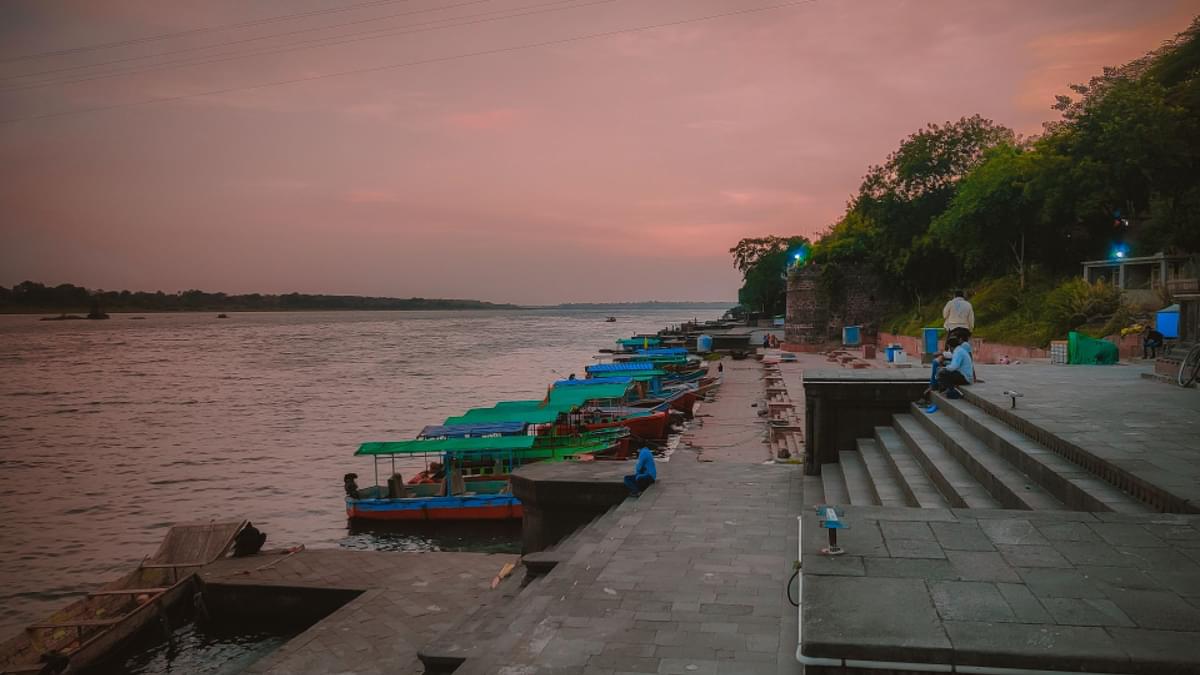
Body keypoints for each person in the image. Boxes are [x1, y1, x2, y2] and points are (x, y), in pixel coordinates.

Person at [919, 336, 960, 405]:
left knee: (939, 368)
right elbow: (951, 356)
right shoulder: (958, 349)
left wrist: (943, 366)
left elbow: (954, 364)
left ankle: (934, 385)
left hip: (961, 372)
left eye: (949, 347)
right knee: (937, 363)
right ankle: (934, 385)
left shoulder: (960, 349)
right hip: (956, 365)